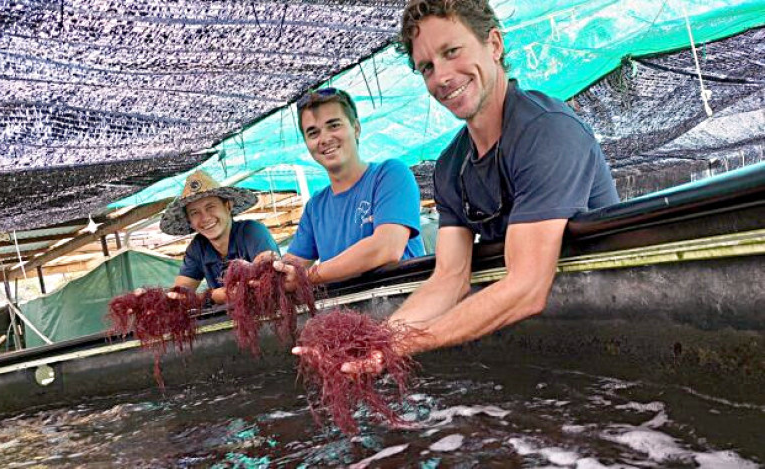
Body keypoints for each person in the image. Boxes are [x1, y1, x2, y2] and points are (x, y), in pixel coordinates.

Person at [299, 0, 620, 372]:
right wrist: (378, 342)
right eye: (427, 67)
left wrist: (404, 345)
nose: (442, 77)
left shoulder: (546, 132)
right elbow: (449, 279)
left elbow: (527, 286)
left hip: (612, 327)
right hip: (542, 349)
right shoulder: (451, 166)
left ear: (494, 44)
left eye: (452, 51)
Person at [265, 87, 426, 287]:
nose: (324, 139)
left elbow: (386, 248)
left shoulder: (390, 175)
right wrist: (270, 269)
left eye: (334, 126)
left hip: (403, 297)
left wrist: (309, 276)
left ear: (356, 128)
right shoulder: (315, 207)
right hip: (346, 305)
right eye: (313, 133)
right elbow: (293, 265)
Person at [158, 169, 279, 304]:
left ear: (228, 206)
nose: (205, 218)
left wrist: (210, 296)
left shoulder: (252, 231)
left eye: (210, 207)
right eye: (195, 213)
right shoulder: (197, 248)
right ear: (189, 221)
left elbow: (265, 278)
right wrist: (155, 299)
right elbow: (179, 294)